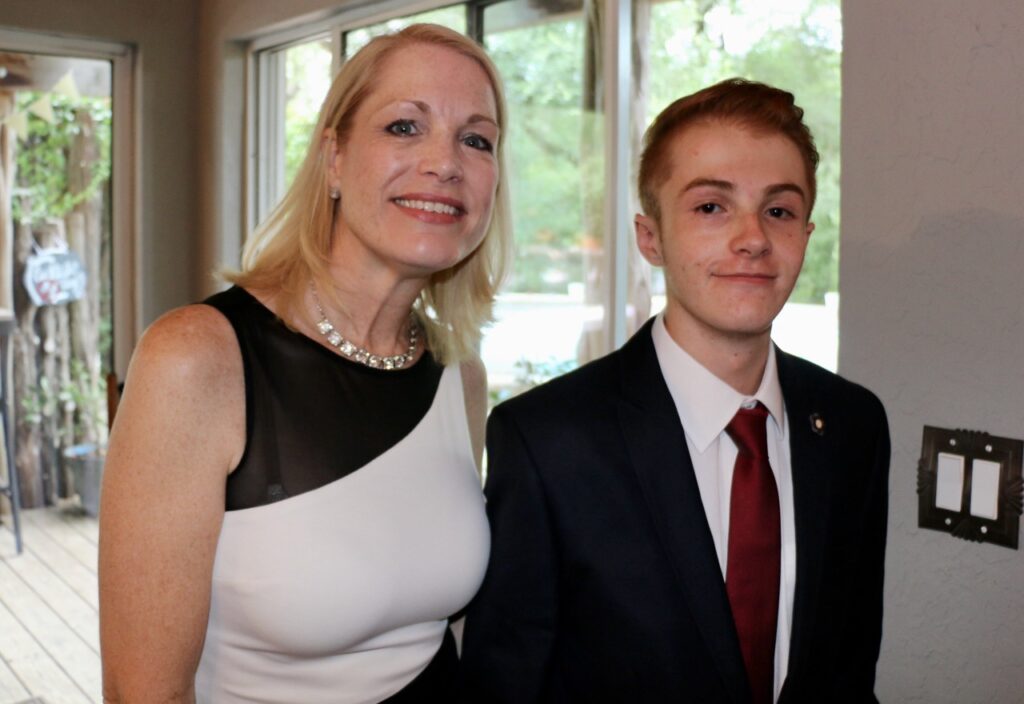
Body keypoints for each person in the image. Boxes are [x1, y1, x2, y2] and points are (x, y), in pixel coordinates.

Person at [99, 23, 511, 703]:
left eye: (477, 139)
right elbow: (143, 692)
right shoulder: (199, 360)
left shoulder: (459, 374)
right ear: (335, 159)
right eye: (406, 127)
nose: (446, 162)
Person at [460, 78, 890, 703]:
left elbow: (850, 670)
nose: (752, 237)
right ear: (650, 237)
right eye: (711, 207)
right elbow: (506, 689)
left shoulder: (853, 425)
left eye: (779, 210)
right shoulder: (547, 441)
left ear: (805, 233)